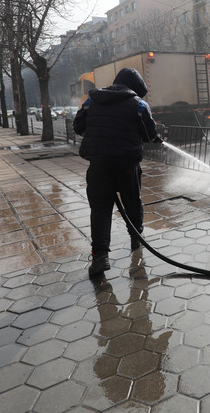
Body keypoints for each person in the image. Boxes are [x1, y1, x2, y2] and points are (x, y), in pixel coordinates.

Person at [74, 68, 160, 277]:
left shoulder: (91, 101)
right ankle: (136, 239)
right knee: (132, 201)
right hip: (126, 164)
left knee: (101, 208)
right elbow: (149, 134)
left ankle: (100, 256)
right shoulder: (139, 104)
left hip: (99, 164)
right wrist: (155, 136)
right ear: (134, 89)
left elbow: (78, 126)